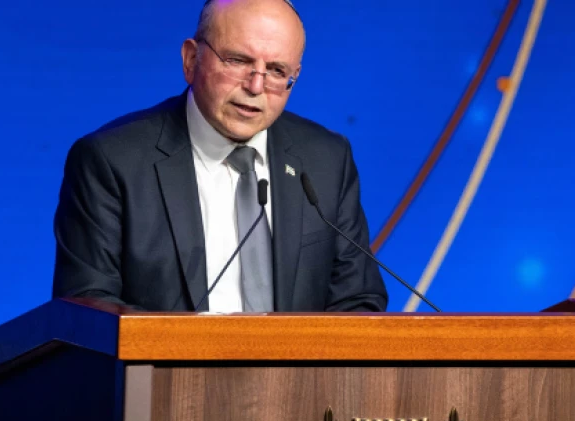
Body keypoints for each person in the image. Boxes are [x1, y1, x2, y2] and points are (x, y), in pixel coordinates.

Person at [52, 0, 387, 312]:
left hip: (297, 376)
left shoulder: (326, 159)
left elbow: (357, 300)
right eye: (238, 61)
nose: (256, 86)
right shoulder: (111, 161)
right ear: (191, 60)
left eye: (275, 70)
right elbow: (88, 306)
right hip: (164, 374)